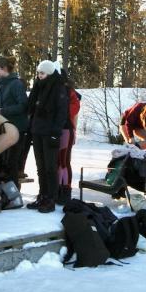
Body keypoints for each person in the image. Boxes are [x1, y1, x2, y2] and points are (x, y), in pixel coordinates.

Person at [26, 60, 68, 213]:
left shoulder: (58, 88)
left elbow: (62, 113)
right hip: (37, 131)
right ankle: (42, 195)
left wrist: (55, 134)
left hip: (50, 133)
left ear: (49, 73)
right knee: (40, 167)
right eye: (38, 73)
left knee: (50, 167)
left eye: (42, 73)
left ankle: (51, 198)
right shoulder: (38, 87)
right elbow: (31, 107)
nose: (39, 76)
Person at [0, 57, 29, 184]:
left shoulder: (16, 84)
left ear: (4, 69)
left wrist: (2, 111)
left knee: (12, 163)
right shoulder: (0, 85)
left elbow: (23, 106)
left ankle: (13, 195)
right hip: (4, 129)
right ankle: (3, 192)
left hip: (17, 129)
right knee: (2, 163)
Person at [57, 76, 81, 205]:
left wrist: (74, 132)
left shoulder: (71, 94)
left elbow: (72, 113)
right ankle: (58, 189)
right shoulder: (57, 92)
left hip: (67, 130)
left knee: (64, 161)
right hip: (60, 130)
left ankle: (65, 191)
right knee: (59, 162)